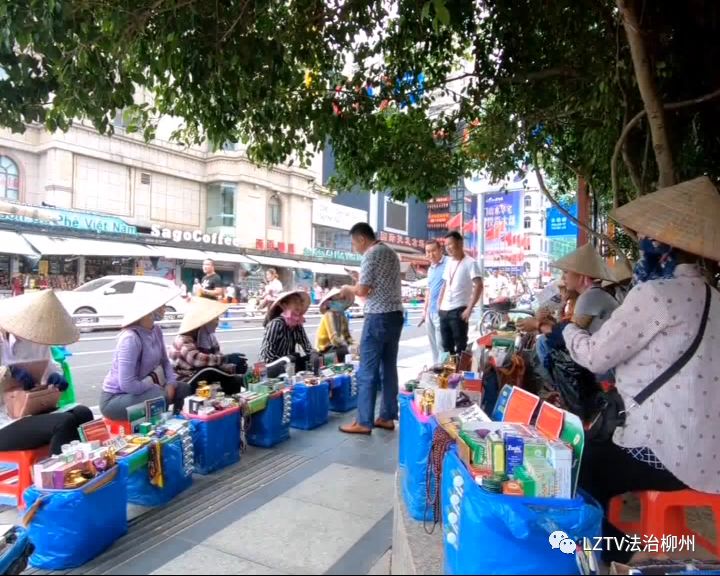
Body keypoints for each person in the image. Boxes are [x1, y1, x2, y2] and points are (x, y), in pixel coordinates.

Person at [562, 176, 720, 564]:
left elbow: (595, 356)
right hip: (711, 456)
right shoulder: (716, 298)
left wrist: (566, 328)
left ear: (661, 248)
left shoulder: (653, 294)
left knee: (570, 468)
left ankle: (615, 555)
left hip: (663, 454)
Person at [0, 290, 93, 455]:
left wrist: (55, 378)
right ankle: (59, 477)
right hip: (4, 421)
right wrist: (8, 374)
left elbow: (50, 368)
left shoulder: (37, 339)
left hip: (29, 409)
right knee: (63, 422)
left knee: (83, 413)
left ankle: (84, 467)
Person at [338, 222, 403, 435]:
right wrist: (359, 280)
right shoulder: (391, 253)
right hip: (395, 315)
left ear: (362, 239)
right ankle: (386, 416)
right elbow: (378, 284)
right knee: (389, 367)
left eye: (354, 243)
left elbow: (363, 290)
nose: (354, 248)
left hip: (377, 317)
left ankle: (364, 421)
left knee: (367, 370)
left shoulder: (370, 254)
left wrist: (349, 287)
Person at [100, 285, 190, 420]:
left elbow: (165, 361)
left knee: (184, 389)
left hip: (145, 388)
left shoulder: (156, 330)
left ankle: (179, 425)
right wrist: (153, 382)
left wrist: (171, 383)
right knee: (159, 396)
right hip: (116, 398)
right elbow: (128, 385)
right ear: (149, 310)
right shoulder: (130, 338)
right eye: (161, 306)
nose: (164, 308)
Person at [168, 297, 247, 395]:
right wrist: (227, 358)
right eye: (215, 319)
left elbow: (217, 362)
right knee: (208, 370)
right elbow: (198, 360)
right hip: (185, 381)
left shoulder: (210, 338)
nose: (218, 322)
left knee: (234, 381)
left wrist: (233, 368)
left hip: (203, 379)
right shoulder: (183, 339)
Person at [437, 231, 483, 357]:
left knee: (460, 346)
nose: (448, 248)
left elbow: (479, 285)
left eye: (450, 244)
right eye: (446, 245)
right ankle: (449, 374)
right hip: (444, 311)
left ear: (460, 243)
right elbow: (445, 284)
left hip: (459, 311)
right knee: (446, 346)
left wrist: (469, 308)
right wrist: (439, 304)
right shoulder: (449, 262)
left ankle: (459, 374)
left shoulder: (470, 262)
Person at [259, 291, 316, 376]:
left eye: (300, 303)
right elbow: (267, 354)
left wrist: (313, 354)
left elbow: (307, 346)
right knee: (292, 359)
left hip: (289, 364)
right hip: (271, 365)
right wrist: (285, 360)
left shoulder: (297, 325)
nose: (299, 306)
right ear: (284, 305)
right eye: (295, 302)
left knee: (313, 357)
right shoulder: (276, 324)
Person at [418, 240, 447, 365]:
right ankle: (436, 368)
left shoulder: (449, 263)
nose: (430, 254)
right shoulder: (431, 269)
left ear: (441, 250)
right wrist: (425, 311)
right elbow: (429, 290)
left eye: (433, 250)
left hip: (442, 311)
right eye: (427, 252)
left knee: (442, 344)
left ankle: (444, 371)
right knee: (433, 345)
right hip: (430, 311)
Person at [315, 288, 353, 361]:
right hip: (324, 350)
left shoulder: (342, 316)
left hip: (335, 347)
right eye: (338, 300)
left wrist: (354, 344)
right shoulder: (328, 315)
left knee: (350, 352)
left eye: (342, 300)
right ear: (330, 302)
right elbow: (334, 339)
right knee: (343, 351)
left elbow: (347, 335)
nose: (341, 302)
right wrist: (347, 345)